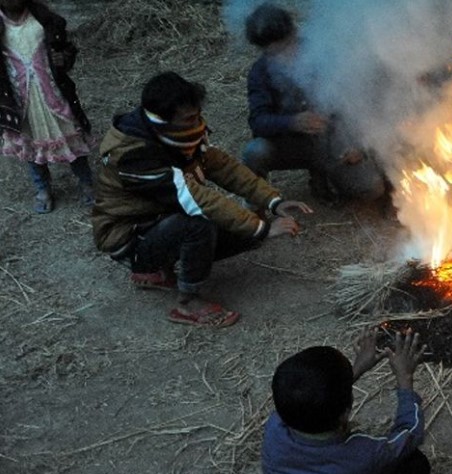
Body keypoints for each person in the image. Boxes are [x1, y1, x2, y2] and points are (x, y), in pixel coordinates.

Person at [91, 71, 312, 327]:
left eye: (197, 114)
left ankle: (158, 271)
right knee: (200, 226)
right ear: (163, 120)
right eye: (190, 118)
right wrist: (260, 229)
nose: (197, 123)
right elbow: (197, 199)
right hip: (128, 237)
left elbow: (223, 167)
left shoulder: (177, 135)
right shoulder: (134, 155)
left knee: (243, 233)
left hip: (157, 221)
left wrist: (273, 201)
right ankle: (186, 302)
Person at [258, 328, 430, 474]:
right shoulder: (363, 455)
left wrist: (357, 368)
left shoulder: (275, 427)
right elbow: (411, 431)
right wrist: (405, 378)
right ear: (345, 414)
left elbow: (311, 401)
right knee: (415, 464)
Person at [242, 3, 386, 205]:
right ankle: (254, 208)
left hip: (333, 143)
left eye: (286, 46)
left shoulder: (321, 54)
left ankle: (326, 176)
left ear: (292, 33)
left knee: (371, 189)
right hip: (293, 146)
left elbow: (355, 101)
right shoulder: (261, 72)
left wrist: (356, 144)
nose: (282, 56)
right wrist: (291, 122)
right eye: (273, 53)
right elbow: (258, 121)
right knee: (256, 151)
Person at [0, 0, 95, 213]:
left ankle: (86, 183)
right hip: (21, 100)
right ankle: (42, 188)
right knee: (32, 144)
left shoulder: (44, 20)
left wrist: (64, 58)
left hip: (53, 94)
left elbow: (66, 49)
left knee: (72, 135)